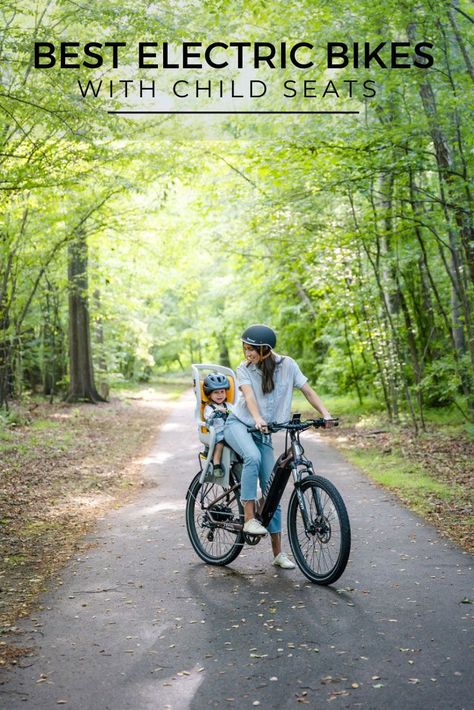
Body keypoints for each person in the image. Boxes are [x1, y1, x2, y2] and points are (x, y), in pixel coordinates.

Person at [224, 324, 334, 570]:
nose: (247, 352)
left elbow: (307, 390)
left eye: (251, 349)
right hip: (240, 424)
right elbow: (250, 397)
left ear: (265, 350)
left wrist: (325, 414)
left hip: (263, 432)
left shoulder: (288, 366)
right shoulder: (244, 369)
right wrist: (258, 418)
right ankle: (250, 519)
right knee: (251, 457)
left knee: (273, 488)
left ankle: (278, 554)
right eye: (245, 347)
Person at [203, 372, 231, 479]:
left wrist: (228, 411)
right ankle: (216, 462)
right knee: (221, 442)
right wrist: (216, 412)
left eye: (222, 392)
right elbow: (208, 418)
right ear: (209, 394)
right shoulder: (209, 407)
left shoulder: (228, 405)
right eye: (216, 392)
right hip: (217, 432)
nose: (220, 395)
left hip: (230, 429)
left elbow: (235, 413)